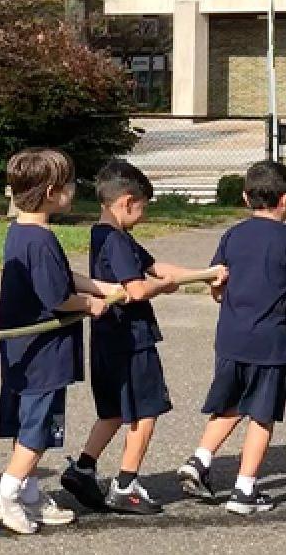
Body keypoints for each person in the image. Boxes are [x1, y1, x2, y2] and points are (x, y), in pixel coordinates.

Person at [0, 150, 114, 534]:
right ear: (53, 192)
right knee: (38, 427)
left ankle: (29, 492)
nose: (75, 190)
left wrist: (99, 286)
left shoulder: (22, 232)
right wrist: (90, 304)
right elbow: (57, 296)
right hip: (43, 351)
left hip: (23, 351)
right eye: (71, 184)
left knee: (27, 422)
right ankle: (6, 494)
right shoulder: (41, 240)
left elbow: (60, 275)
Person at [176, 161, 286, 514]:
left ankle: (200, 459)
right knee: (262, 414)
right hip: (272, 341)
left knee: (231, 403)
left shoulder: (232, 235)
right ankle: (244, 490)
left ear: (245, 197)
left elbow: (217, 282)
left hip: (232, 336)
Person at [65, 160, 199, 516]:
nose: (143, 215)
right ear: (126, 202)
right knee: (146, 409)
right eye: (143, 207)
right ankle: (125, 483)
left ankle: (82, 468)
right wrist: (163, 287)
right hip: (131, 339)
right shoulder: (118, 242)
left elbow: (159, 269)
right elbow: (138, 289)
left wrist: (205, 274)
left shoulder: (106, 234)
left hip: (107, 338)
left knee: (112, 410)